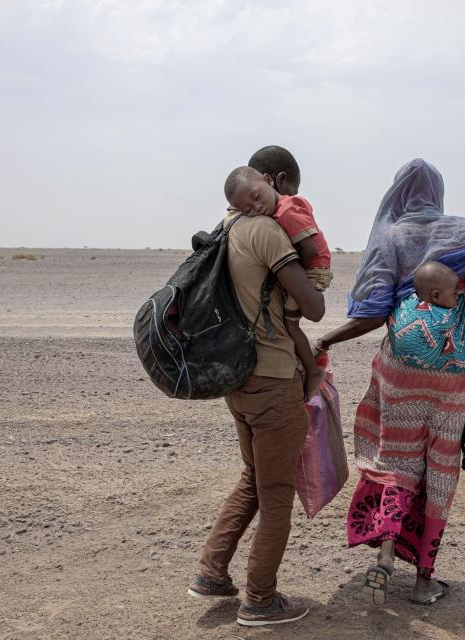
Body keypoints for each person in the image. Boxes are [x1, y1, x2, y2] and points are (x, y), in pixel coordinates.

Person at [313, 159, 465, 606]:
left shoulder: (392, 236)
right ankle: (424, 581)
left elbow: (369, 314)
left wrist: (324, 339)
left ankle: (385, 554)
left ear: (398, 195)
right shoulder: (464, 231)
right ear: (438, 193)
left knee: (397, 461)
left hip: (400, 372)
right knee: (440, 465)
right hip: (453, 376)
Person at [186, 149, 324, 628]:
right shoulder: (265, 231)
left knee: (253, 479)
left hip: (237, 379)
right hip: (272, 380)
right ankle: (260, 600)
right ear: (275, 181)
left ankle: (211, 572)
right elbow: (315, 308)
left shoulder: (225, 228)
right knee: (277, 492)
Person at [224, 165, 332, 399]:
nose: (257, 208)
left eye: (256, 197)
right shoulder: (274, 214)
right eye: (248, 209)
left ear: (269, 180)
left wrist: (286, 272)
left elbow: (309, 251)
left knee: (291, 324)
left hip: (313, 270)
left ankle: (313, 371)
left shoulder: (285, 212)